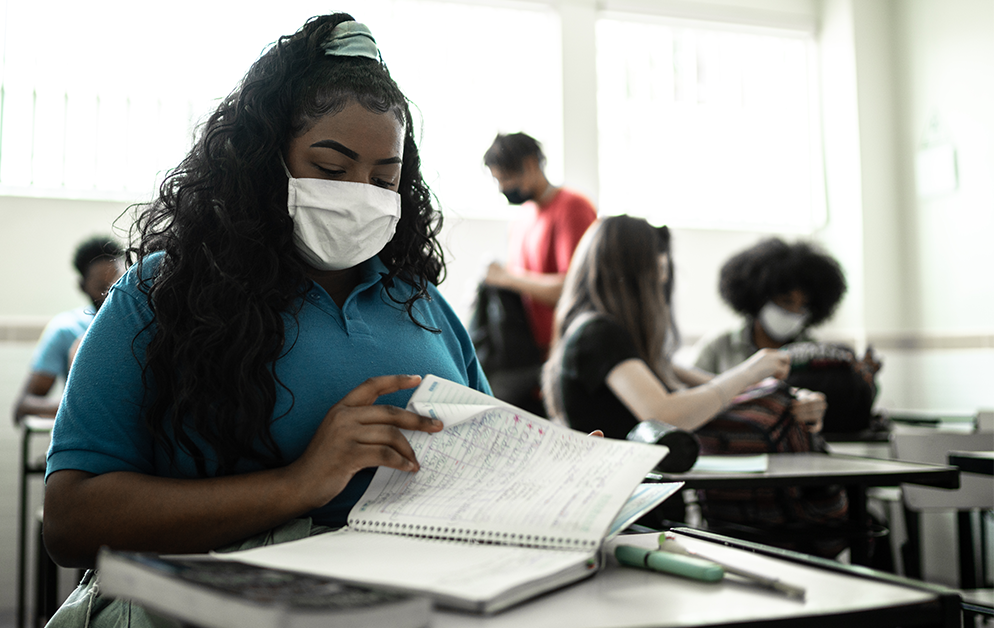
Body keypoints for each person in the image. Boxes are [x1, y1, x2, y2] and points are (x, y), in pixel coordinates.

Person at [43, 13, 487, 589]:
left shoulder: (419, 302)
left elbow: (485, 474)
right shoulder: (166, 292)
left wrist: (556, 475)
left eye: (384, 181)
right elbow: (70, 520)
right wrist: (298, 484)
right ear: (262, 162)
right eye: (330, 169)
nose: (360, 197)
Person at [540, 216, 808, 440]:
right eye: (659, 268)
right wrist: (751, 370)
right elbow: (665, 414)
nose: (664, 280)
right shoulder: (597, 334)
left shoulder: (611, 339)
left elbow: (711, 388)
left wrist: (793, 398)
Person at [691, 238, 879, 432]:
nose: (794, 312)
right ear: (758, 299)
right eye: (786, 301)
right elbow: (691, 400)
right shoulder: (718, 347)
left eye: (803, 306)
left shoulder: (816, 354)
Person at [482, 132, 597, 357]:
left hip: (570, 351)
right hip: (530, 355)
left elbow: (573, 289)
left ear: (530, 164)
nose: (503, 188)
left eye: (506, 178)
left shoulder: (573, 208)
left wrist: (505, 277)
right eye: (498, 181)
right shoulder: (520, 220)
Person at [12, 236, 124, 424]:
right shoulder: (68, 330)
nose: (110, 295)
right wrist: (80, 407)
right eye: (102, 288)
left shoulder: (138, 327)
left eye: (118, 284)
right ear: (82, 287)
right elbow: (23, 407)